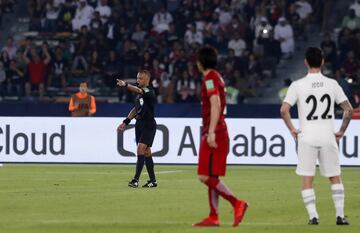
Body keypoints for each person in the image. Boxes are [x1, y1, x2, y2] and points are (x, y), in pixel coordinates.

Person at [280, 47, 353, 225]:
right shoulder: (332, 84)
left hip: (307, 137)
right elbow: (348, 110)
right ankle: (340, 216)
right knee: (334, 176)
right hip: (328, 136)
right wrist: (341, 131)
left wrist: (292, 129)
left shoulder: (297, 85)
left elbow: (284, 110)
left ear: (305, 62)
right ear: (322, 61)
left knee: (307, 178)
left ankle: (313, 217)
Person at [192, 46, 248, 227]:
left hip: (215, 131)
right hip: (219, 129)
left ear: (200, 63)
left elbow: (215, 104)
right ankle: (214, 216)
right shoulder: (217, 76)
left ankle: (237, 203)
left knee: (203, 176)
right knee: (211, 175)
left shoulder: (209, 78)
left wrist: (211, 132)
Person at [116, 70, 157, 188]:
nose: (138, 80)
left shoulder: (149, 91)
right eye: (137, 78)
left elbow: (139, 90)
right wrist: (126, 122)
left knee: (140, 149)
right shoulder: (139, 96)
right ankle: (153, 181)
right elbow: (135, 109)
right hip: (139, 124)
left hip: (148, 125)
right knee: (146, 152)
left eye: (141, 78)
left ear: (147, 79)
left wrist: (126, 85)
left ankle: (135, 180)